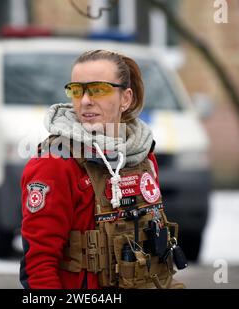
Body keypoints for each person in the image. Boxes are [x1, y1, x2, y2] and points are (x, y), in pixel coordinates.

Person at [20, 50, 186, 289]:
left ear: (125, 98)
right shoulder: (54, 163)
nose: (86, 100)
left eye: (98, 89)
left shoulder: (141, 153)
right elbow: (38, 265)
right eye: (77, 91)